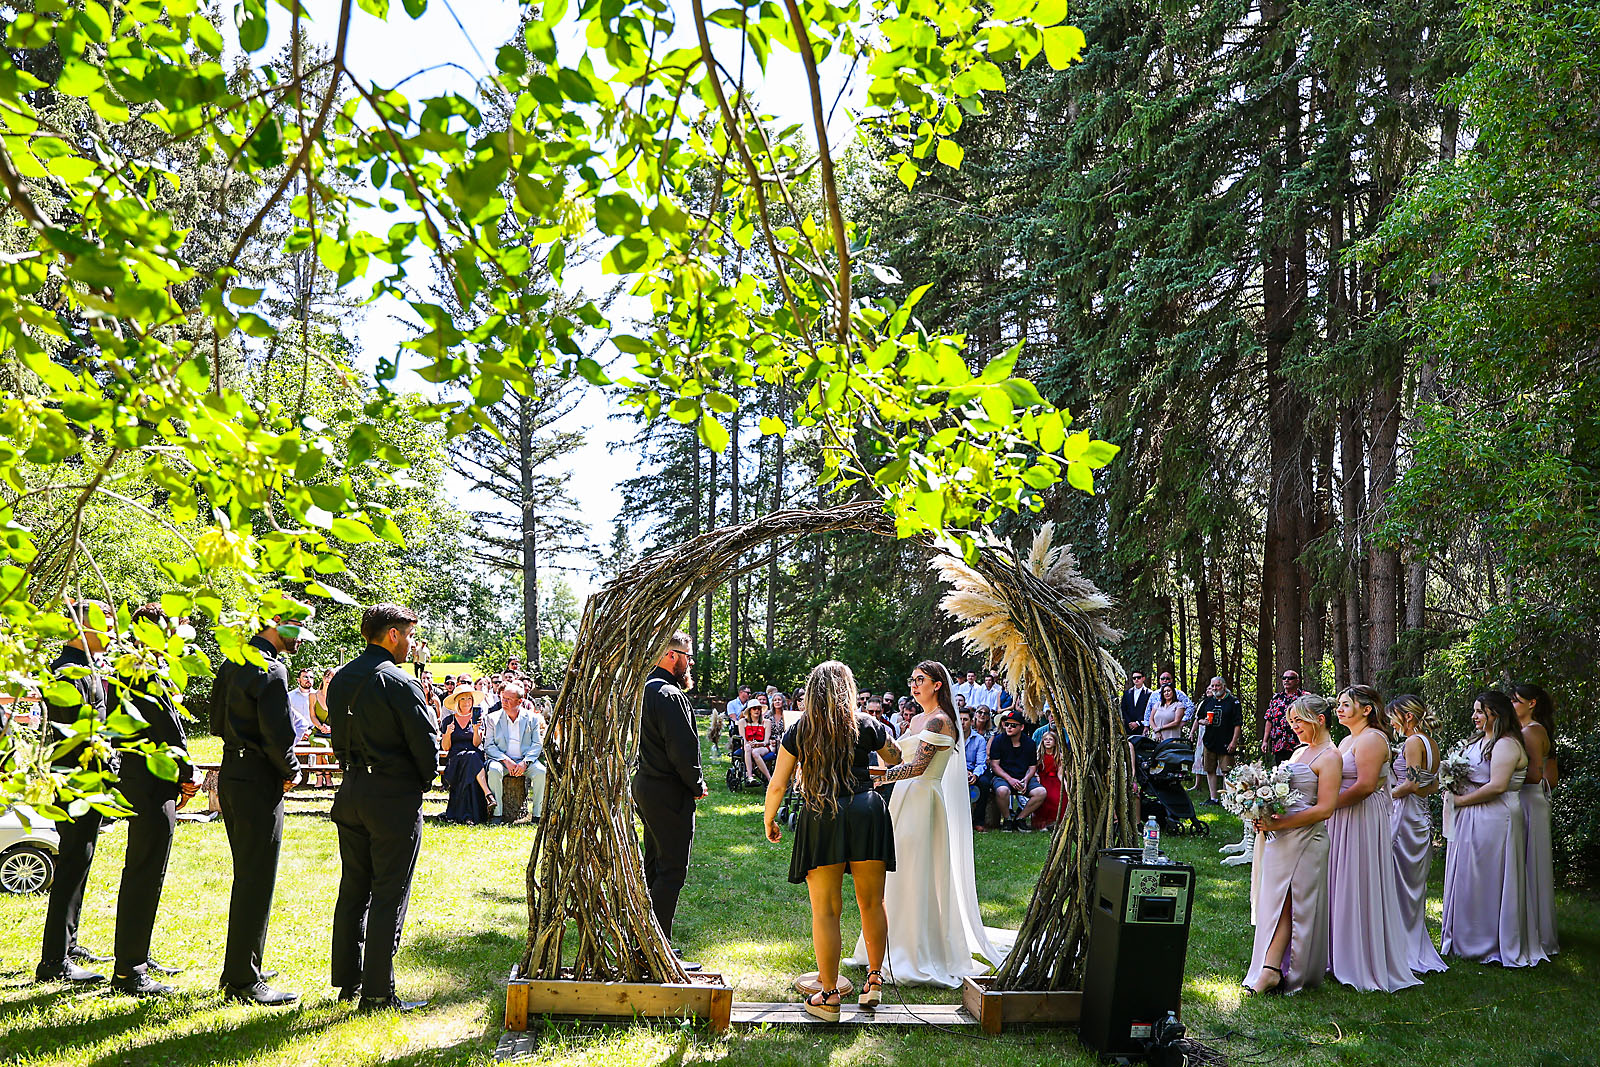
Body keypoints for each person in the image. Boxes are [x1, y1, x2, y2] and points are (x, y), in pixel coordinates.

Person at [848, 659, 1013, 988]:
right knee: (895, 870)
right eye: (912, 680)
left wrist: (874, 778)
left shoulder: (940, 720)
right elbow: (898, 755)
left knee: (914, 869)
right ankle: (885, 944)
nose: (913, 685)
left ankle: (914, 951)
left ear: (937, 684)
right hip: (903, 798)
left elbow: (918, 767)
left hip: (923, 799)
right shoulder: (917, 719)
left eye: (920, 680)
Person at [766, 660, 900, 1020]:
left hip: (822, 813)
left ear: (812, 691)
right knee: (872, 902)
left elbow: (778, 783)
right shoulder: (866, 723)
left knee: (826, 910)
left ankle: (828, 997)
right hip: (867, 810)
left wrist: (769, 819)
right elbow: (895, 756)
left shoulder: (800, 729)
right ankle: (874, 981)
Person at [327, 603, 439, 1012]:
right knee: (389, 890)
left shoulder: (341, 678)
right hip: (391, 794)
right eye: (409, 635)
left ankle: (349, 980)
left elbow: (337, 735)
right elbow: (425, 743)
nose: (412, 644)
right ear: (392, 635)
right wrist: (422, 781)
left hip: (352, 788)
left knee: (354, 887)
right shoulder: (399, 681)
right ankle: (377, 991)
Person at [213, 601, 314, 1005]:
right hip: (258, 778)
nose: (300, 637)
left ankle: (241, 966)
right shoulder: (272, 670)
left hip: (232, 773)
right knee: (256, 879)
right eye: (295, 626)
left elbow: (215, 723)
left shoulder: (230, 662)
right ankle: (243, 978)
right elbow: (278, 735)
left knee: (247, 875)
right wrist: (292, 770)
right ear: (275, 623)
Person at [103, 604, 200, 997]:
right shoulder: (142, 671)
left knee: (144, 872)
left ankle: (136, 955)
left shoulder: (129, 668)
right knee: (144, 873)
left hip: (142, 778)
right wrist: (188, 774)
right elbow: (167, 728)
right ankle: (130, 970)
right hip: (150, 781)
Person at [35, 600, 115, 985]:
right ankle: (54, 961)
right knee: (70, 865)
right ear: (78, 628)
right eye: (104, 626)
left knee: (80, 862)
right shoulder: (67, 673)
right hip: (75, 781)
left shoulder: (88, 668)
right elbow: (79, 735)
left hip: (89, 781)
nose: (111, 633)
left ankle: (69, 943)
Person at [1244, 694, 1340, 995]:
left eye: (1299, 721)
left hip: (1307, 839)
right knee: (1275, 902)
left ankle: (1279, 971)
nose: (1294, 727)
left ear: (1319, 720)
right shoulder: (1298, 753)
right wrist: (1262, 811)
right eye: (1291, 722)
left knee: (1295, 904)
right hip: (1280, 839)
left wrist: (1280, 824)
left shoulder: (1331, 757)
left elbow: (1325, 809)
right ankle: (1270, 968)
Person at [1326, 685, 1420, 991]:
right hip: (1341, 814)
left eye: (1346, 704)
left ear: (1366, 709)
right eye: (1338, 704)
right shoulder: (1346, 740)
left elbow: (1366, 786)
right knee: (1339, 879)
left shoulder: (1372, 739)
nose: (1339, 709)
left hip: (1360, 816)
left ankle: (1360, 958)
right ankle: (1337, 952)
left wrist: (1326, 806)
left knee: (1356, 878)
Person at [1442, 691, 1545, 967]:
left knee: (1489, 877)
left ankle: (1489, 941)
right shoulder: (1478, 741)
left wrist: (1460, 801)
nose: (1474, 716)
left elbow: (1497, 786)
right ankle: (1465, 939)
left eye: (1480, 711)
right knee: (1469, 877)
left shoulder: (1506, 744)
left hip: (1495, 817)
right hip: (1472, 816)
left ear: (1495, 714)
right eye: (1475, 710)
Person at [632, 632, 707, 962]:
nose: (690, 664)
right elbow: (681, 749)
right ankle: (658, 951)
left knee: (655, 865)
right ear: (671, 655)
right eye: (687, 657)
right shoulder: (668, 694)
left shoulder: (645, 690)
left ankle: (644, 943)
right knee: (671, 869)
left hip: (647, 786)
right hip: (667, 790)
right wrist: (697, 784)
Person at [1387, 694, 1448, 975]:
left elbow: (1411, 784)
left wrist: (1384, 795)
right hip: (1421, 815)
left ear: (1408, 716)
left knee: (1399, 883)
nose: (1391, 722)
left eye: (1394, 717)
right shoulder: (1431, 743)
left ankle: (1402, 949)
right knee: (1412, 887)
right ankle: (1410, 944)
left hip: (1406, 817)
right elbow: (1432, 786)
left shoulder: (1413, 742)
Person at [1510, 682, 1558, 958]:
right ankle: (1533, 926)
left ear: (1532, 703)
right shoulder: (1539, 730)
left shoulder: (1530, 732)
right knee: (1531, 859)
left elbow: (1534, 774)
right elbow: (1552, 777)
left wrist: (1500, 778)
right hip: (1535, 800)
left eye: (1516, 701)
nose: (1512, 705)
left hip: (1527, 799)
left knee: (1528, 860)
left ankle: (1531, 930)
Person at [485, 682, 545, 823]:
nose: (504, 702)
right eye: (503, 698)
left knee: (541, 772)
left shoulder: (532, 718)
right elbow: (489, 746)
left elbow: (537, 744)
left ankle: (537, 814)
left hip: (525, 761)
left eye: (508, 699)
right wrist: (506, 760)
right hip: (502, 761)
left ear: (520, 701)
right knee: (494, 770)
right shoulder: (492, 718)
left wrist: (525, 762)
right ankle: (497, 814)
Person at [440, 685, 494, 824]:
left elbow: (476, 744)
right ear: (457, 702)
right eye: (463, 699)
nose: (466, 702)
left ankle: (468, 816)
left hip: (473, 755)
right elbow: (446, 747)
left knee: (471, 757)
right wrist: (448, 733)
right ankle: (487, 793)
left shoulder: (477, 719)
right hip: (456, 757)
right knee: (470, 759)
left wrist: (476, 730)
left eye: (469, 698)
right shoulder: (449, 720)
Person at [989, 710, 1046, 831]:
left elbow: (1032, 766)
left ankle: (1020, 818)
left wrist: (1026, 779)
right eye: (1007, 724)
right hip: (1003, 777)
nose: (1009, 727)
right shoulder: (998, 740)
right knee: (1002, 790)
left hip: (1023, 777)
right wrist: (1010, 779)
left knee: (1041, 792)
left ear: (1022, 727)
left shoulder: (1029, 743)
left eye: (1013, 725)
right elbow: (994, 765)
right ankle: (1007, 819)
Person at [1197, 677, 1242, 805]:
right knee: (1209, 769)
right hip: (1210, 741)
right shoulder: (1208, 701)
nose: (1215, 688)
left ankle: (1226, 798)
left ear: (1224, 686)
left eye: (1217, 685)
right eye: (1213, 686)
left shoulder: (1233, 702)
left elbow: (1238, 724)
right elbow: (1199, 718)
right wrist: (1204, 721)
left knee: (1226, 770)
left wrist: (1234, 741)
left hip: (1226, 741)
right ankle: (1213, 798)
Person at [1260, 668, 1304, 765]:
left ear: (1297, 681)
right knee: (1281, 771)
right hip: (1279, 745)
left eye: (1290, 678)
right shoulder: (1276, 698)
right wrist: (1265, 741)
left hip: (1298, 743)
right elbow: (1269, 720)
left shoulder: (1303, 697)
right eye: (1284, 678)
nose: (1286, 680)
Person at [961, 707, 994, 832]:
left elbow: (981, 763)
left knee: (984, 783)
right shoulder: (953, 738)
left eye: (965, 719)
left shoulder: (979, 739)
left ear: (971, 721)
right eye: (960, 719)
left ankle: (979, 821)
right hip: (958, 770)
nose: (962, 722)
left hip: (975, 770)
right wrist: (964, 772)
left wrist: (974, 775)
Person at [1032, 730, 1065, 831]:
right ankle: (1042, 823)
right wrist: (1036, 775)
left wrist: (1066, 784)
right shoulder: (1038, 755)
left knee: (1058, 796)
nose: (1047, 741)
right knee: (1045, 796)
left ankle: (1056, 822)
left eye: (1050, 739)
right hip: (1041, 779)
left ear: (1055, 742)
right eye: (1045, 739)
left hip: (1054, 780)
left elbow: (1060, 773)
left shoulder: (1059, 756)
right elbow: (1033, 770)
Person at [742, 696, 774, 784]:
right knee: (748, 747)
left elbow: (766, 741)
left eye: (759, 709)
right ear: (750, 711)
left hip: (763, 747)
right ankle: (750, 777)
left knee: (755, 752)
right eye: (754, 709)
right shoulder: (743, 722)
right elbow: (743, 739)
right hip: (748, 746)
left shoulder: (766, 722)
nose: (757, 711)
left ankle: (769, 778)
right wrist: (750, 744)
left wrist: (759, 744)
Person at [1120, 671, 1153, 735]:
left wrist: (1138, 723)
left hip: (1142, 727)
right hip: (1128, 728)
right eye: (1134, 678)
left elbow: (1149, 710)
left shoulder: (1149, 693)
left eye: (1138, 677)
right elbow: (1123, 709)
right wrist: (1129, 722)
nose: (1136, 679)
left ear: (1143, 678)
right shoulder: (1127, 693)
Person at [288, 668, 316, 744]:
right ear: (298, 680)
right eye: (305, 677)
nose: (308, 679)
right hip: (294, 734)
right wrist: (299, 732)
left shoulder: (318, 696)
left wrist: (310, 731)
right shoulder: (289, 696)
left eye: (311, 677)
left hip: (314, 734)